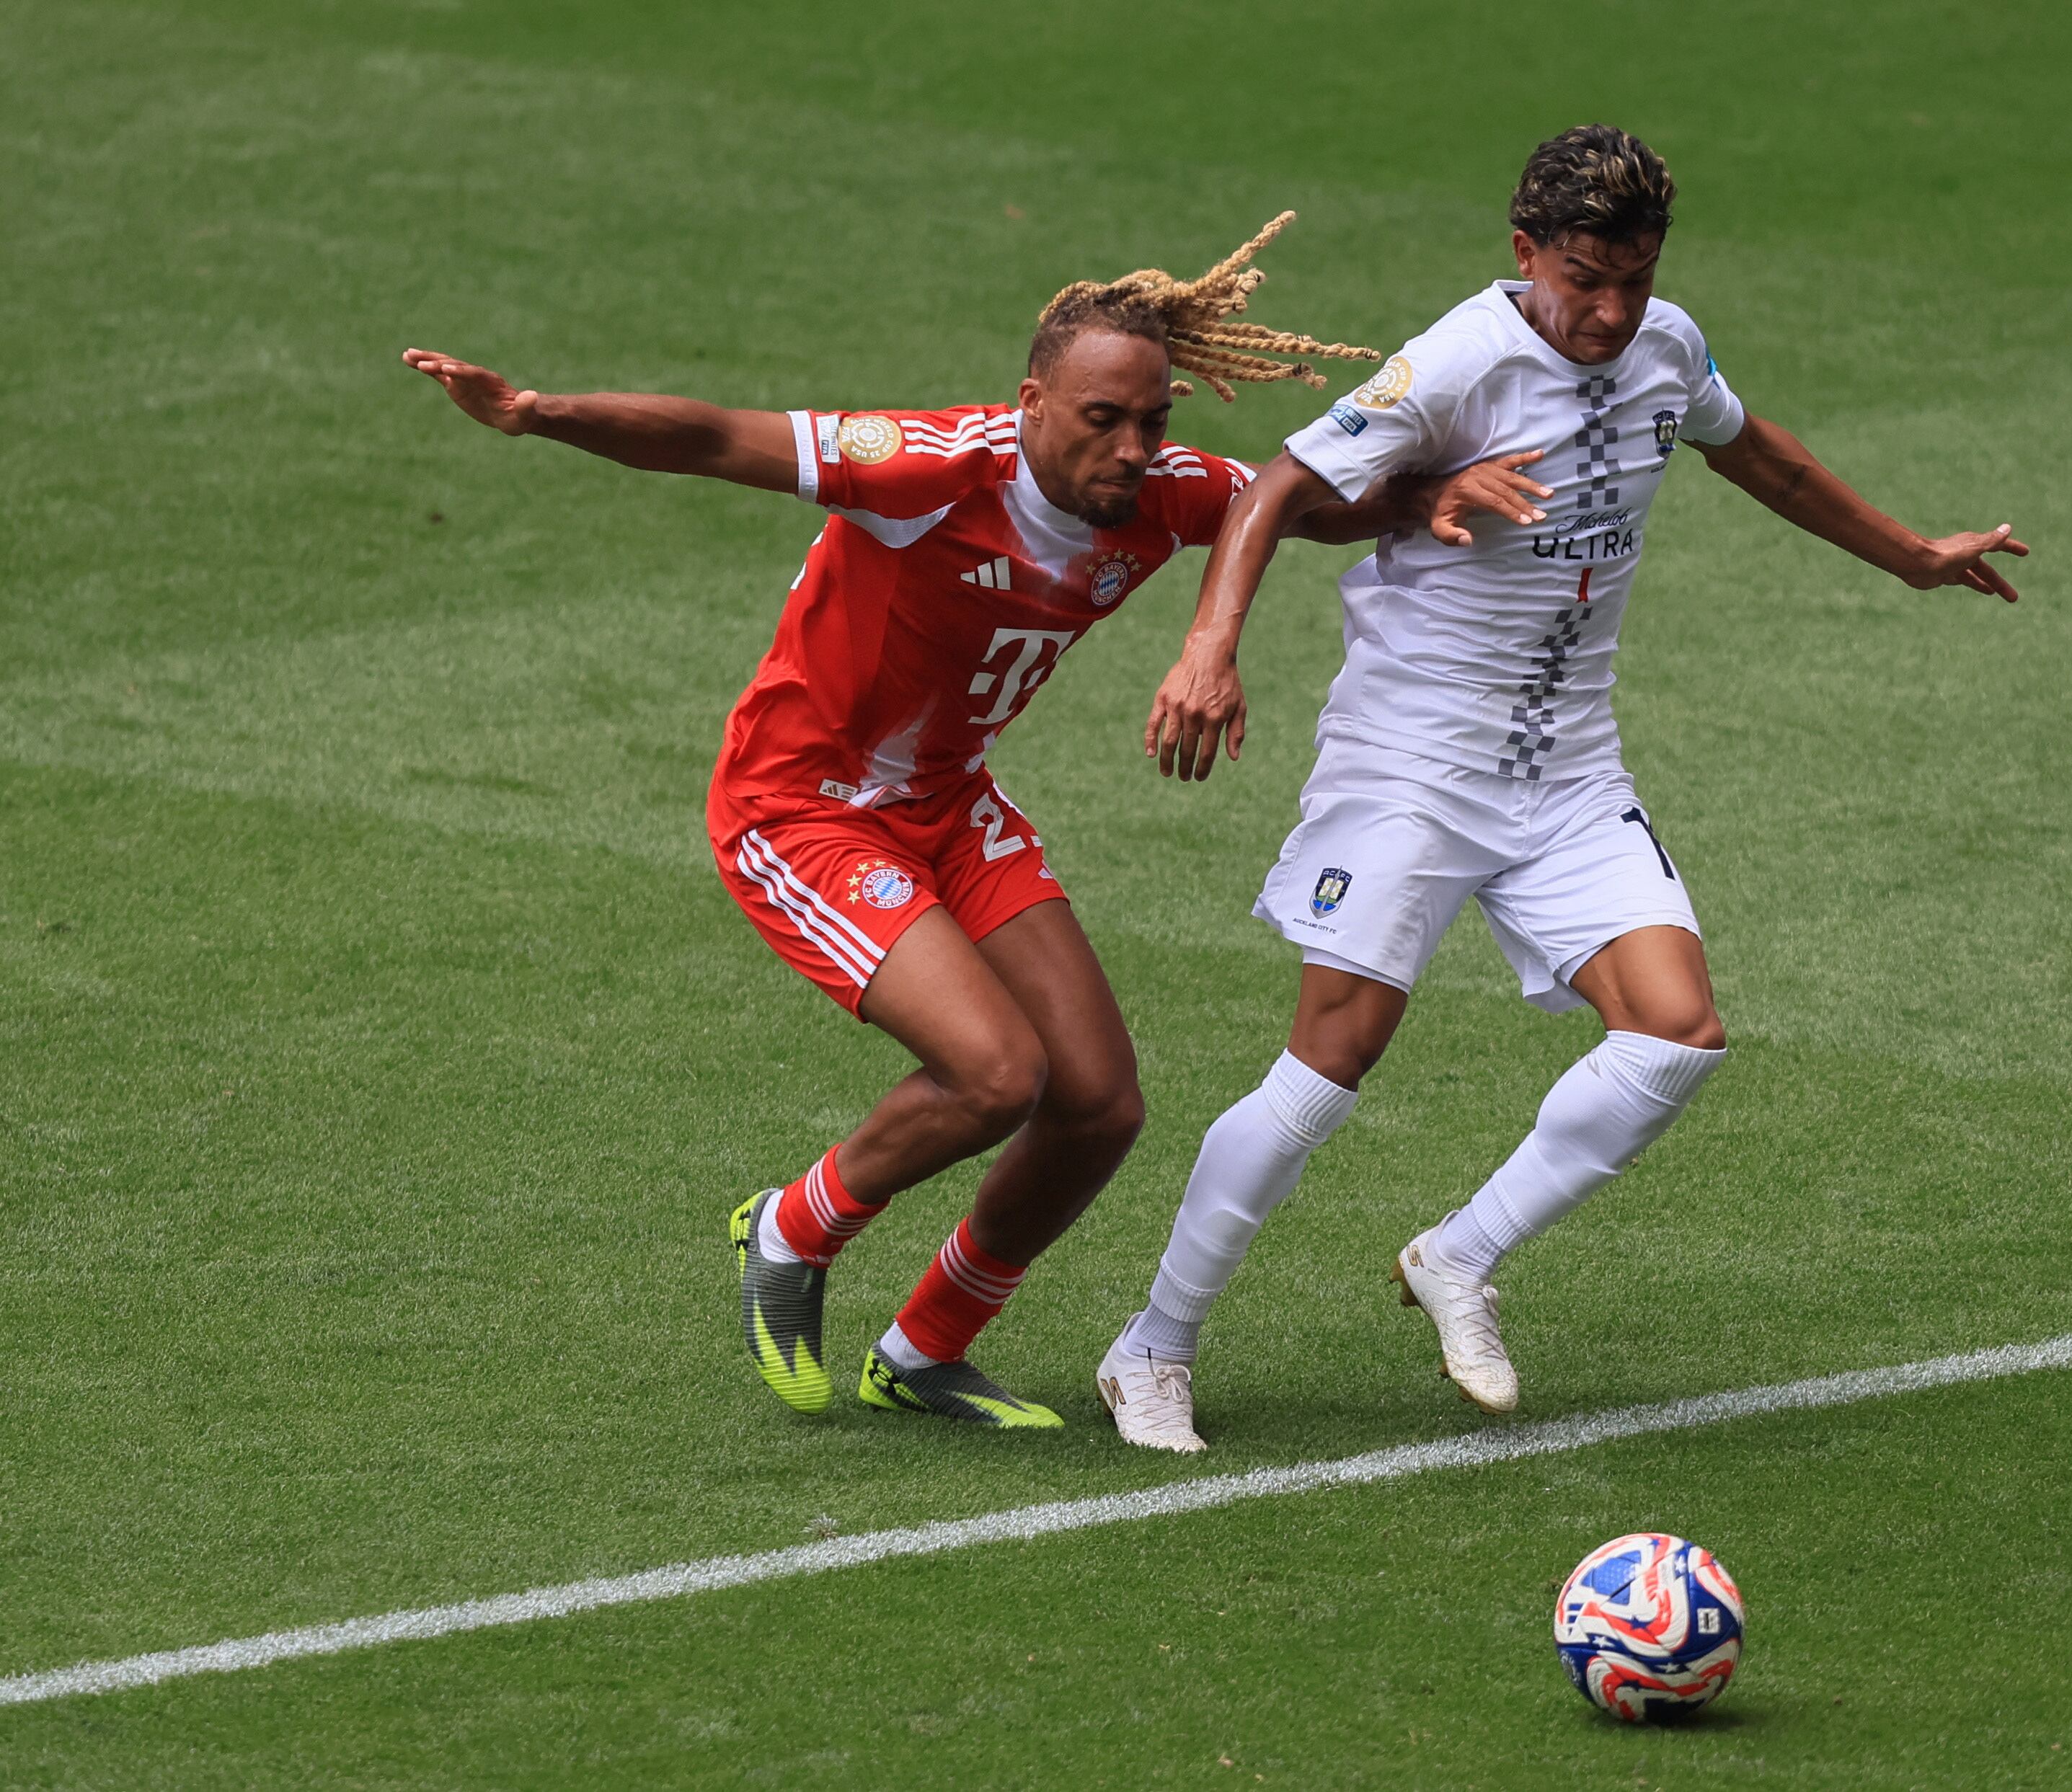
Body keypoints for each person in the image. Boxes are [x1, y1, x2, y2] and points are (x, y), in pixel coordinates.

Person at [404, 217, 1521, 1429]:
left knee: (1099, 1103)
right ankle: (790, 1226)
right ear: (1032, 402)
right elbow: (722, 436)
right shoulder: (925, 468)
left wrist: (1423, 494)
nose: (1135, 449)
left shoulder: (1163, 490)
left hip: (947, 805)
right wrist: (533, 411)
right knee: (996, 1071)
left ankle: (926, 1346)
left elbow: (1297, 505)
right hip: (802, 808)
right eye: (1103, 419)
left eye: (1153, 421)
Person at [1100, 128, 2029, 1452]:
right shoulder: (1461, 361)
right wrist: (1211, 645)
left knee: (1673, 1031)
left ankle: (1457, 1256)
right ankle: (1154, 1344)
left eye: (1633, 281)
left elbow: (1755, 452)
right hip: (1414, 763)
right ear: (1525, 251)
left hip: (1568, 766)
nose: (1606, 312)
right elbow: (1279, 492)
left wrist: (1911, 557)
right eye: (1584, 278)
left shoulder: (1665, 345)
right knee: (1331, 1061)